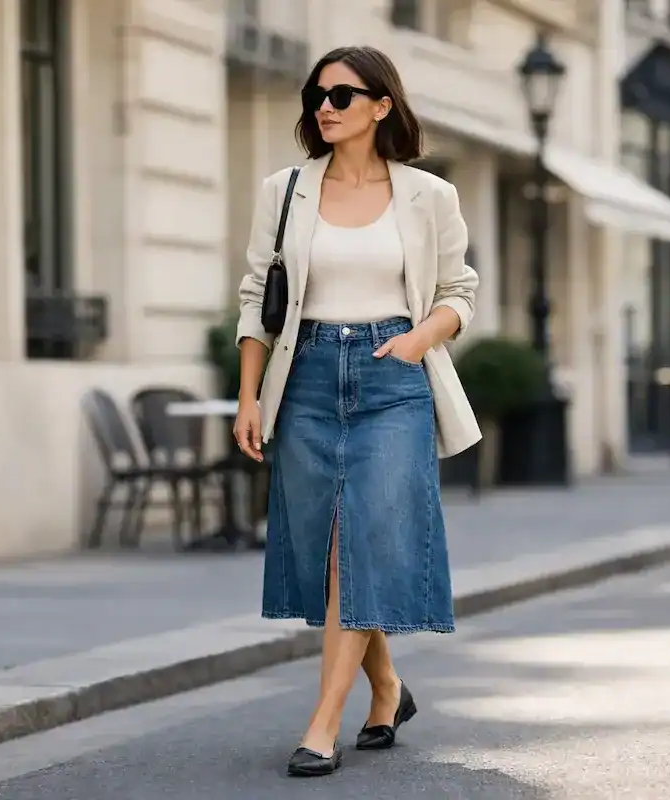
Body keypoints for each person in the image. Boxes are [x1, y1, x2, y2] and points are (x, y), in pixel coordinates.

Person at [232, 45, 481, 778]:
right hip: (304, 376)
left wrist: (416, 341)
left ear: (382, 106)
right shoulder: (285, 190)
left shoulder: (428, 196)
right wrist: (249, 395)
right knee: (330, 546)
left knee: (363, 543)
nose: (325, 106)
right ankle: (388, 689)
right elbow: (257, 297)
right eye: (318, 94)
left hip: (390, 377)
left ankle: (319, 725)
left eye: (343, 95)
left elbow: (459, 291)